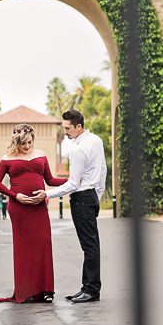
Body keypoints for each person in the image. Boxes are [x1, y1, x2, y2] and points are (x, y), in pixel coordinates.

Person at [0, 123, 67, 303]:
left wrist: (72, 181)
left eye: (29, 143)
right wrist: (16, 196)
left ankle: (46, 290)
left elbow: (50, 180)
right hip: (19, 208)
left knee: (43, 244)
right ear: (16, 141)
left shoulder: (41, 155)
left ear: (33, 139)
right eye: (23, 144)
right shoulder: (7, 158)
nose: (26, 147)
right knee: (24, 249)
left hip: (39, 207)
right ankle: (27, 291)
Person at [46, 109, 107, 304]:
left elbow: (73, 183)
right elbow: (103, 170)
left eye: (68, 128)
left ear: (78, 126)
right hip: (90, 197)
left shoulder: (78, 149)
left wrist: (47, 194)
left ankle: (91, 290)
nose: (65, 131)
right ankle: (87, 288)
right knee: (91, 245)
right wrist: (96, 196)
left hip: (81, 199)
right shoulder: (96, 141)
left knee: (89, 246)